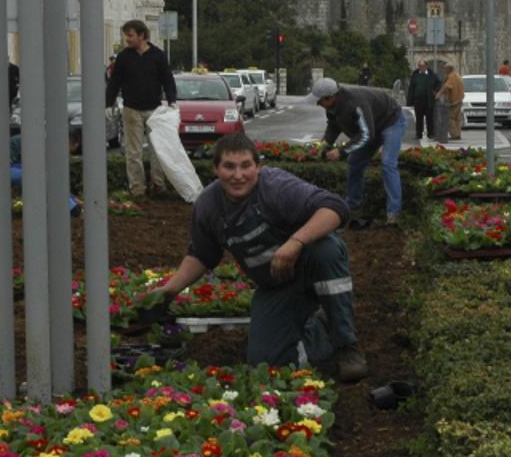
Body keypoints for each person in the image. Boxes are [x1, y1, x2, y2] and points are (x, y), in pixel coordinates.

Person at [156, 133, 368, 381]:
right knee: (265, 365)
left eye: (246, 165)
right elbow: (202, 255)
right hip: (276, 286)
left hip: (312, 269)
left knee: (326, 250)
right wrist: (168, 292)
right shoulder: (208, 206)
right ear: (215, 169)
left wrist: (295, 243)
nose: (238, 175)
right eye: (229, 167)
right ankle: (321, 328)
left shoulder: (275, 186)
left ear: (258, 166)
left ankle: (346, 345)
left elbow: (335, 208)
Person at [309, 77, 407, 227]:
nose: (318, 104)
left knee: (388, 163)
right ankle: (353, 205)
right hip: (371, 127)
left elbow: (367, 135)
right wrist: (323, 145)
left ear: (331, 97)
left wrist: (342, 151)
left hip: (391, 121)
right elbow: (333, 127)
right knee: (354, 162)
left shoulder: (355, 103)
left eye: (320, 101)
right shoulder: (331, 108)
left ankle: (393, 214)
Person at [105, 19, 177, 199]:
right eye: (126, 36)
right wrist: (108, 103)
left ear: (141, 35)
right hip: (131, 110)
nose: (127, 40)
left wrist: (172, 101)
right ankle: (137, 190)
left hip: (154, 110)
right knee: (133, 152)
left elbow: (167, 79)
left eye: (130, 36)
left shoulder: (158, 56)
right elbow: (115, 82)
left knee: (158, 150)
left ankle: (158, 187)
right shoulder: (123, 57)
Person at [405, 59, 442, 140]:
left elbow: (439, 84)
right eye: (419, 66)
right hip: (418, 100)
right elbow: (411, 88)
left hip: (428, 100)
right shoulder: (415, 75)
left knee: (429, 118)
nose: (421, 68)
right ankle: (419, 134)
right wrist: (409, 100)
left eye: (422, 66)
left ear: (426, 66)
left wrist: (435, 91)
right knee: (419, 118)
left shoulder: (432, 75)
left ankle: (430, 133)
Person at [434, 63, 465, 141]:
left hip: (454, 101)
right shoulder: (457, 75)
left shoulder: (451, 76)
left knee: (450, 118)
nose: (444, 70)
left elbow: (446, 86)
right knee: (456, 118)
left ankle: (454, 135)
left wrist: (439, 93)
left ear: (449, 69)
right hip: (459, 99)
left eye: (445, 69)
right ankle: (458, 133)